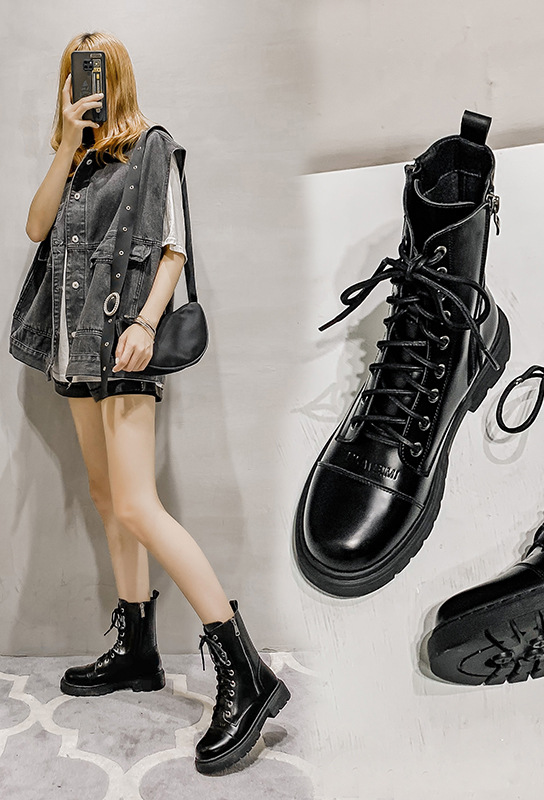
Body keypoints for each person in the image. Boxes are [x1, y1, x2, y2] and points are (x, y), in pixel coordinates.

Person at [8, 31, 290, 775]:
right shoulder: (76, 164)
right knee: (107, 498)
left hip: (124, 343)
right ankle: (137, 650)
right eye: (75, 77)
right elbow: (36, 229)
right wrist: (66, 142)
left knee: (137, 503)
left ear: (119, 80)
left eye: (95, 76)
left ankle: (247, 671)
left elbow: (172, 248)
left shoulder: (152, 147)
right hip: (73, 350)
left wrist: (142, 322)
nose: (86, 87)